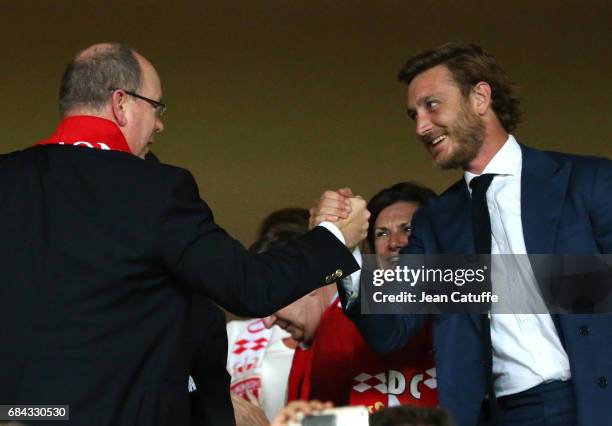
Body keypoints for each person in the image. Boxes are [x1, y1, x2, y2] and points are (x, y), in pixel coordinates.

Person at [0, 43, 369, 425]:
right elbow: (248, 287)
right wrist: (336, 237)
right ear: (120, 103)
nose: (159, 123)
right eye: (156, 107)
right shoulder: (152, 188)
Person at [312, 42, 612, 426]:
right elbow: (390, 328)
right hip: (501, 415)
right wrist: (345, 246)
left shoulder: (586, 180)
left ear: (480, 97)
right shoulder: (436, 221)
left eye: (432, 105)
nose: (421, 127)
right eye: (413, 115)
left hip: (593, 402)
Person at [265, 183, 438, 412]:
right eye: (381, 233)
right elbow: (319, 415)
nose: (394, 242)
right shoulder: (337, 324)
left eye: (408, 229)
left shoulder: (471, 315)